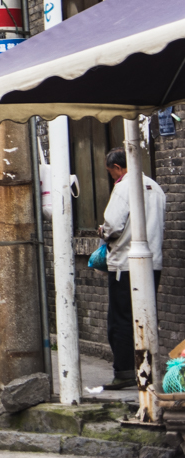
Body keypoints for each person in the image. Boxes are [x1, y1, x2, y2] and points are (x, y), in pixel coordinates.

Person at [100, 147, 165, 389]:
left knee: (121, 319)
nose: (112, 177)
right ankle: (147, 371)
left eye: (111, 172)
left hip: (125, 264)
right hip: (153, 261)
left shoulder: (124, 186)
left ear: (117, 168)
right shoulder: (155, 187)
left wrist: (103, 232)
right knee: (146, 316)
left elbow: (113, 224)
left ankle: (125, 371)